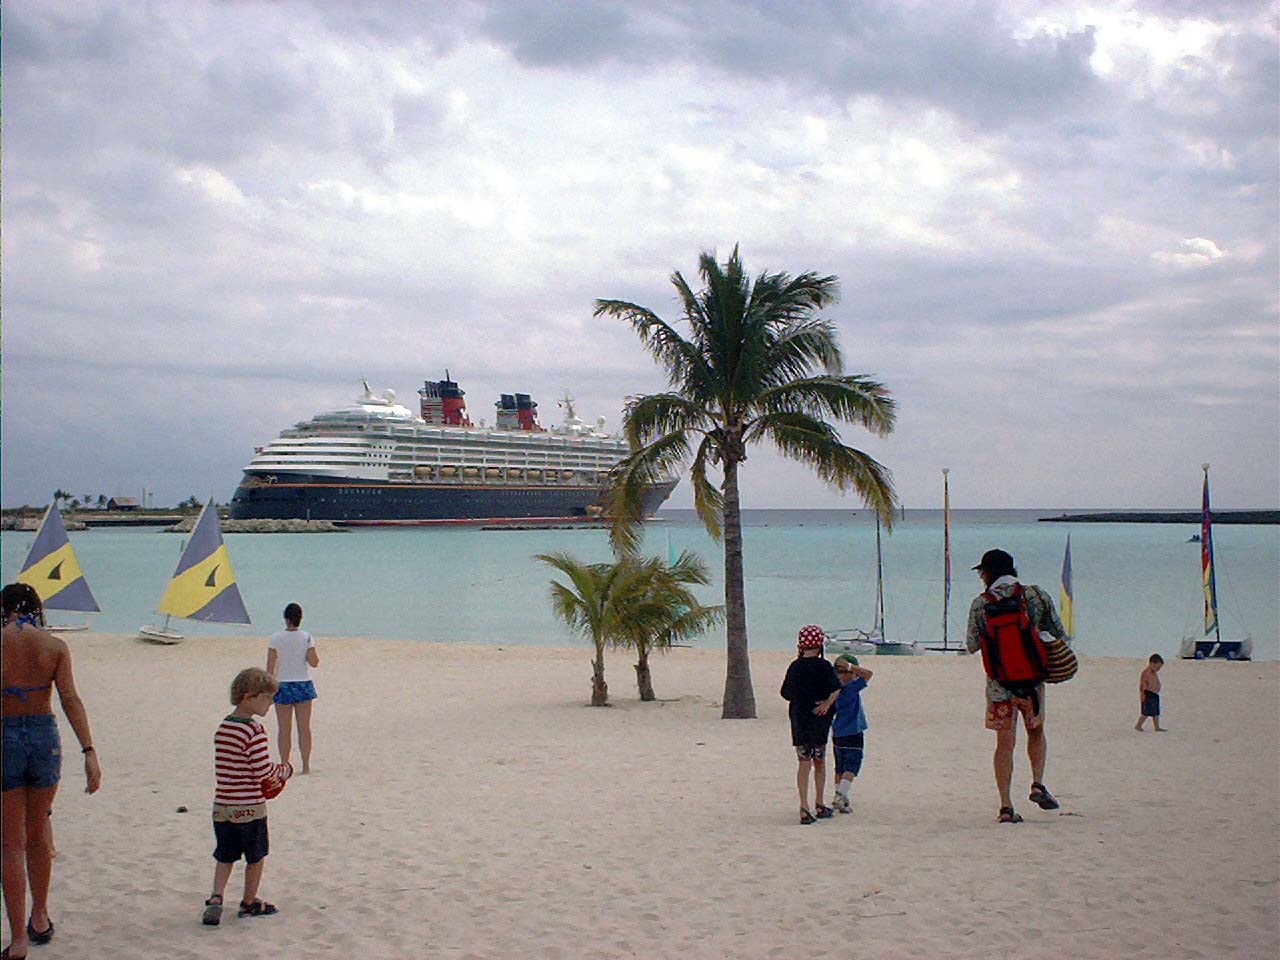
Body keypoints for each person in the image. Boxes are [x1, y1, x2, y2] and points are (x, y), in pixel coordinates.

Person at [1, 583, 102, 960]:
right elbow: (70, 698)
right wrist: (89, 751)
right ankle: (39, 917)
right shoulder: (54, 646)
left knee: (10, 844)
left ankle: (17, 940)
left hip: (4, 734)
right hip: (44, 735)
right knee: (39, 831)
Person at [965, 549, 1068, 824]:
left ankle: (1006, 806)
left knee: (1004, 744)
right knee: (1036, 731)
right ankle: (1037, 783)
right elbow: (1058, 630)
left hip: (1000, 685)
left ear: (988, 574)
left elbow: (972, 645)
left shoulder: (980, 603)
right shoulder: (1034, 594)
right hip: (1032, 683)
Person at [202, 667, 293, 926]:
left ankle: (216, 898)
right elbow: (263, 770)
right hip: (250, 807)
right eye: (266, 698)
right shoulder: (253, 731)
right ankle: (249, 902)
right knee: (255, 856)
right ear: (247, 697)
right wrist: (285, 771)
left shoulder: (224, 728)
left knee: (225, 855)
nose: (271, 703)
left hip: (222, 805)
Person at [780, 625, 842, 825]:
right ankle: (819, 803)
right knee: (819, 761)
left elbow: (786, 693)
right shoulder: (824, 666)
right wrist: (826, 704)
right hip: (819, 720)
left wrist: (802, 697)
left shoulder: (795, 666)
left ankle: (804, 806)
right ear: (819, 644)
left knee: (803, 762)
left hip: (799, 718)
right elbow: (836, 689)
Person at [265, 603, 319, 774]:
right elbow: (314, 662)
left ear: (286, 619)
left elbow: (270, 668)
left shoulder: (275, 638)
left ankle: (285, 764)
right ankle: (305, 766)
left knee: (284, 728)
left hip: (283, 684)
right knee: (304, 727)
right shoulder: (307, 637)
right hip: (303, 684)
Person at [829, 654, 873, 814]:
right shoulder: (850, 688)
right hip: (853, 732)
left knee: (839, 768)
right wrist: (851, 667)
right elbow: (868, 674)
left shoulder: (833, 691)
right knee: (852, 767)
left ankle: (840, 795)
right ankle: (841, 795)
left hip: (837, 732)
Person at [1135, 654, 1165, 732]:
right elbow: (1143, 685)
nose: (1158, 669)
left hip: (1155, 694)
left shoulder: (1154, 673)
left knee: (1156, 712)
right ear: (1151, 663)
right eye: (1157, 667)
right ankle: (1138, 725)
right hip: (1148, 694)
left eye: (1160, 668)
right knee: (1146, 712)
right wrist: (1142, 694)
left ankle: (1157, 727)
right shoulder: (1146, 673)